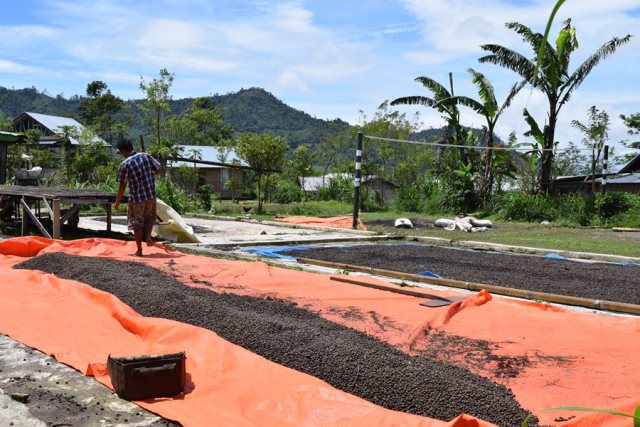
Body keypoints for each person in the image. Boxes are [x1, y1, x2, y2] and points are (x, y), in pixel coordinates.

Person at [113, 138, 161, 256]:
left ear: (123, 151)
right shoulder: (146, 156)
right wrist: (147, 174)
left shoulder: (125, 164)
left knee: (136, 223)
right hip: (150, 195)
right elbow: (159, 170)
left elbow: (122, 186)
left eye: (120, 153)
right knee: (149, 217)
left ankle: (139, 250)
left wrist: (117, 202)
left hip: (137, 198)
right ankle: (148, 237)